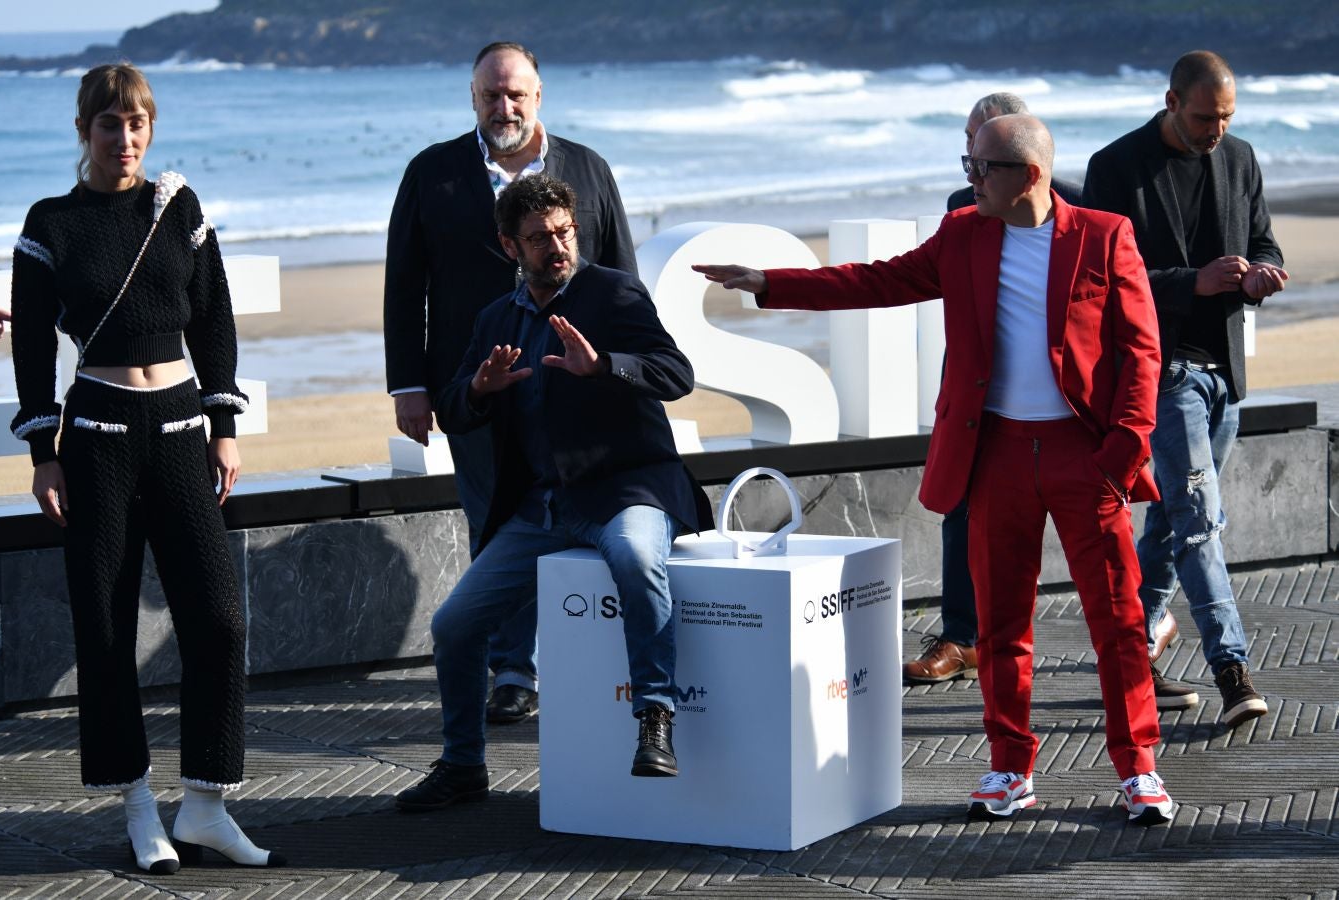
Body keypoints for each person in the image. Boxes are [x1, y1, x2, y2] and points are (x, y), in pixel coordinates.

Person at [697, 114, 1176, 827]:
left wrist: (1122, 451)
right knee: (999, 625)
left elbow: (1141, 350)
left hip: (1086, 457)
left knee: (1118, 619)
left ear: (1031, 176)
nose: (970, 179)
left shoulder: (1104, 236)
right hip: (997, 455)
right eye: (968, 163)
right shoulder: (964, 234)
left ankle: (1139, 768)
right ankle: (1011, 767)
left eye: (983, 167)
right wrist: (771, 282)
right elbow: (876, 281)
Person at [8, 63, 284, 874]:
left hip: (180, 430)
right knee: (105, 627)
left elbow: (216, 321)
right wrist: (42, 455)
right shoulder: (49, 223)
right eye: (107, 125)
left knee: (219, 620)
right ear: (83, 131)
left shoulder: (179, 207)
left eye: (135, 125)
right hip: (94, 438)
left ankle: (204, 805)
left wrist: (224, 430)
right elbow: (29, 345)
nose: (123, 140)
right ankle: (137, 806)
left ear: (150, 130)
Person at [393, 174, 712, 811]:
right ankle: (462, 767)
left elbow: (678, 375)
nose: (557, 246)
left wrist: (606, 367)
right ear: (511, 247)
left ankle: (654, 718)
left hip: (624, 491)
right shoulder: (494, 319)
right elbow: (455, 409)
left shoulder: (614, 293)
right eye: (539, 238)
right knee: (454, 626)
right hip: (539, 507)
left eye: (564, 233)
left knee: (635, 556)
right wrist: (479, 390)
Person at [384, 41, 637, 727]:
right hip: (477, 389)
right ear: (472, 98)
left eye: (516, 94)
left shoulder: (588, 169)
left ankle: (592, 660)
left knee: (588, 517)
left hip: (574, 385)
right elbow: (405, 287)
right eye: (491, 95)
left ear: (538, 96)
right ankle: (513, 670)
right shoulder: (432, 174)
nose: (505, 106)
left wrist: (620, 370)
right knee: (497, 521)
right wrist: (408, 385)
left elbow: (621, 277)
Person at [1083, 51, 1285, 727]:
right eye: (1204, 117)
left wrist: (1262, 274)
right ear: (1172, 101)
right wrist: (1189, 281)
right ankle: (1232, 669)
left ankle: (1129, 646)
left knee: (1173, 517)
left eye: (1226, 117)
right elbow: (1107, 279)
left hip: (1224, 368)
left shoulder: (1242, 158)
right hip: (1159, 372)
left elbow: (1266, 242)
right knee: (1200, 522)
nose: (1216, 131)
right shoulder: (1116, 167)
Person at [908, 91, 1089, 685]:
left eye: (980, 150)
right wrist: (770, 284)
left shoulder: (1084, 214)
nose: (969, 160)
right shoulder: (966, 210)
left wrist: (1125, 437)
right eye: (967, 147)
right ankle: (962, 636)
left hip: (1060, 416)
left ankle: (1130, 645)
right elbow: (896, 277)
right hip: (974, 388)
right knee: (960, 507)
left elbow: (1124, 335)